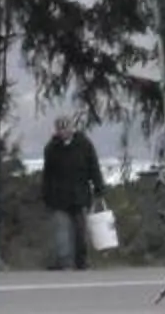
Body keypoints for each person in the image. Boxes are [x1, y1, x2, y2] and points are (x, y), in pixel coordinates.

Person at [41, 113, 106, 270]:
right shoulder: (51, 148)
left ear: (72, 128)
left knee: (80, 231)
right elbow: (47, 174)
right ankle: (64, 262)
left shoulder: (84, 144)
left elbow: (94, 167)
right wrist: (46, 195)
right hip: (58, 197)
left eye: (66, 127)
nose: (63, 131)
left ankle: (81, 261)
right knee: (61, 231)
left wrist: (99, 188)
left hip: (79, 195)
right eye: (60, 128)